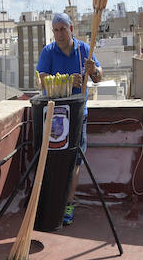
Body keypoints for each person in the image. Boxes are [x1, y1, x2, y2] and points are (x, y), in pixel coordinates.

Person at [35, 12, 102, 225]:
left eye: (63, 29)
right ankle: (48, 200)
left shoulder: (84, 49)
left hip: (77, 114)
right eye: (55, 30)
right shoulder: (48, 51)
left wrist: (94, 70)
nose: (59, 34)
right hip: (54, 115)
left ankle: (68, 203)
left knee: (74, 160)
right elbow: (43, 81)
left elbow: (99, 76)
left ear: (71, 29)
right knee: (51, 158)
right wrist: (64, 80)